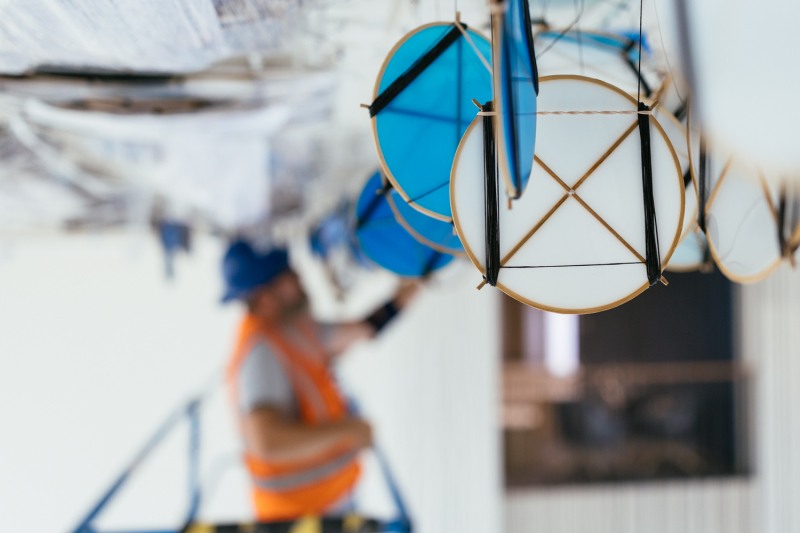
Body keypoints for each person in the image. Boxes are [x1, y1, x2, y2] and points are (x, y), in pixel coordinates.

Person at [222, 240, 416, 523]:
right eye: (287, 275)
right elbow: (265, 441)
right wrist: (347, 430)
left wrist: (409, 289)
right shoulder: (261, 352)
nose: (299, 277)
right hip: (298, 519)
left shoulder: (293, 329)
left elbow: (363, 329)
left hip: (327, 505)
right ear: (263, 297)